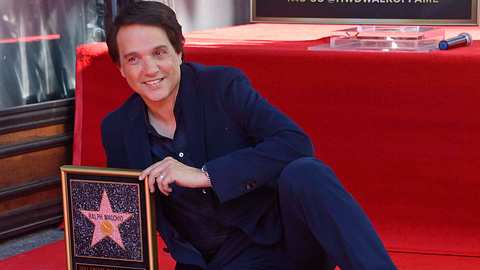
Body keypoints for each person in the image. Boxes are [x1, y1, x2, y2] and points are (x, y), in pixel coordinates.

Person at [102, 2, 397, 270]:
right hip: (211, 262)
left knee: (307, 173)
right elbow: (125, 217)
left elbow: (295, 142)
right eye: (133, 59)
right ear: (120, 69)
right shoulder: (117, 129)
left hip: (280, 246)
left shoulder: (221, 87)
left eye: (159, 52)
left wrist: (206, 175)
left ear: (179, 50)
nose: (149, 69)